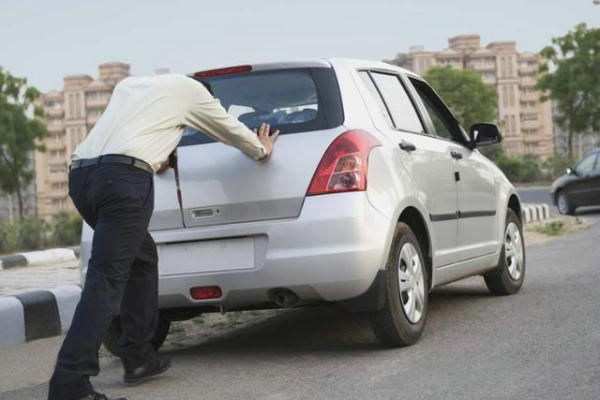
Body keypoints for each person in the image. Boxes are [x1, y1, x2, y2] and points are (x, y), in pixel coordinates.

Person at [47, 73, 279, 400]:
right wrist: (262, 148)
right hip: (124, 182)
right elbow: (231, 130)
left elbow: (131, 132)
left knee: (141, 257)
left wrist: (161, 149)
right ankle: (69, 383)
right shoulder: (196, 93)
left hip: (83, 177)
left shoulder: (131, 87)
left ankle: (138, 357)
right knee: (107, 280)